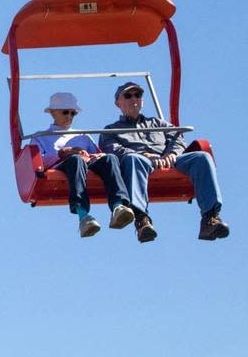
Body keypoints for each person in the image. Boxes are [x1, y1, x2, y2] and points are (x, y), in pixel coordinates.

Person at [98, 82, 229, 242]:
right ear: (117, 103)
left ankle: (210, 218)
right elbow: (114, 149)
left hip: (169, 161)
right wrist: (144, 155)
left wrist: (172, 154)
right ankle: (142, 219)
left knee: (202, 158)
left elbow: (177, 138)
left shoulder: (158, 123)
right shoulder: (111, 130)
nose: (134, 99)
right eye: (128, 95)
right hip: (141, 162)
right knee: (133, 159)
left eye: (138, 95)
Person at [32, 92, 135, 238]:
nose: (69, 117)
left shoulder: (83, 136)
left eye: (73, 113)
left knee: (110, 158)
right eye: (65, 112)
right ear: (53, 113)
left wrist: (91, 155)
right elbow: (38, 162)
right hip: (62, 166)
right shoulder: (41, 137)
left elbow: (99, 154)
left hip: (86, 163)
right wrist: (61, 153)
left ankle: (118, 205)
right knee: (75, 160)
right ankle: (83, 215)